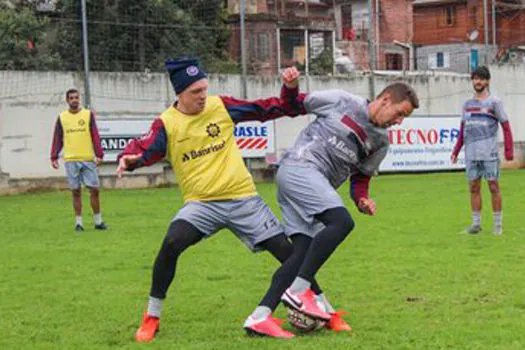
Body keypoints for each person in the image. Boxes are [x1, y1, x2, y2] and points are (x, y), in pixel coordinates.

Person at [117, 59, 336, 342]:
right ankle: (152, 316)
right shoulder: (167, 124)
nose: (202, 96)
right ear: (180, 93)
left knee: (290, 254)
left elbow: (267, 108)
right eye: (196, 91)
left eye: (204, 89)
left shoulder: (220, 107)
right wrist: (132, 160)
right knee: (171, 243)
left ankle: (325, 308)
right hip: (202, 204)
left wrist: (289, 88)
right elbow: (146, 148)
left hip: (244, 200)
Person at [250, 77, 419, 323]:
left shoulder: (381, 142)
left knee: (300, 255)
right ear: (385, 100)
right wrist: (290, 86)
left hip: (310, 186)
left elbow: (360, 179)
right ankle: (299, 293)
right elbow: (293, 104)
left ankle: (260, 315)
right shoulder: (342, 100)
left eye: (405, 118)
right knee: (341, 223)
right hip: (300, 167)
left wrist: (362, 200)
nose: (399, 121)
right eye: (400, 113)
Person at [451, 66, 514, 235]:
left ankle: (497, 226)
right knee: (473, 187)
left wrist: (509, 150)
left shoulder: (495, 102)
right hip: (471, 154)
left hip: (489, 153)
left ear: (487, 81)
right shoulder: (467, 104)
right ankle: (476, 224)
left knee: (493, 186)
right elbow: (463, 129)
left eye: (481, 79)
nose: (478, 82)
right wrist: (456, 150)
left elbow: (506, 127)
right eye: (475, 78)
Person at [50, 89, 107, 231]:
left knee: (94, 190)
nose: (74, 100)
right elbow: (58, 137)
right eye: (71, 98)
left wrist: (99, 154)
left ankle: (98, 221)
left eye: (76, 97)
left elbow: (95, 135)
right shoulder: (62, 117)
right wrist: (54, 156)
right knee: (75, 191)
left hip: (87, 158)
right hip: (70, 159)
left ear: (79, 99)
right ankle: (79, 223)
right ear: (67, 100)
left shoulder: (88, 115)